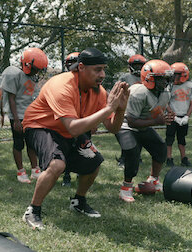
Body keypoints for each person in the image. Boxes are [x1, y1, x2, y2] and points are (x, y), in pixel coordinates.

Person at [21, 48, 129, 230]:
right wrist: (110, 109)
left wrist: (120, 110)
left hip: (68, 130)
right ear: (81, 67)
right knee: (57, 165)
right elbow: (73, 127)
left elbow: (113, 128)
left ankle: (78, 201)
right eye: (97, 69)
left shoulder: (99, 91)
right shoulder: (61, 85)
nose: (102, 74)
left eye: (103, 69)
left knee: (94, 162)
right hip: (40, 126)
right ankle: (33, 210)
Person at [117, 59, 175, 203]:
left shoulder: (164, 93)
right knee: (132, 152)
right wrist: (156, 121)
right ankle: (126, 188)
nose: (165, 82)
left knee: (161, 148)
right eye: (161, 79)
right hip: (125, 126)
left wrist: (169, 113)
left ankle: (153, 180)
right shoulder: (138, 92)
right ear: (148, 78)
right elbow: (131, 121)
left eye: (167, 78)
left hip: (143, 125)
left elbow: (159, 107)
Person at [1, 48, 48, 183]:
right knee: (18, 143)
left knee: (32, 143)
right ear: (27, 65)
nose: (37, 72)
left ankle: (35, 169)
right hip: (18, 115)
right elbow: (11, 98)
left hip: (30, 114)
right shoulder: (13, 73)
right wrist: (15, 120)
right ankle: (21, 171)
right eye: (35, 69)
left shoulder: (31, 76)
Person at [165, 62, 192, 167]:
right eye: (173, 74)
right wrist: (173, 115)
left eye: (177, 74)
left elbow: (191, 104)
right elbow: (165, 103)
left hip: (183, 115)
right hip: (172, 116)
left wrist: (187, 116)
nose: (175, 77)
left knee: (182, 138)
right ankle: (169, 158)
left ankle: (184, 158)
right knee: (169, 138)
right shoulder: (168, 87)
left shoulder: (190, 86)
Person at [61, 52, 80, 187]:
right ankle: (66, 175)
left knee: (83, 146)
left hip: (83, 118)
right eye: (70, 63)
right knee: (67, 147)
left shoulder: (86, 79)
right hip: (68, 118)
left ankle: (82, 172)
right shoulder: (63, 79)